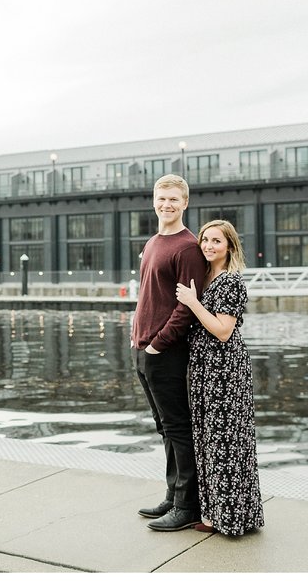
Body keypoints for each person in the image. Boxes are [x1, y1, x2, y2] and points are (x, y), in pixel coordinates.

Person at [175, 219, 265, 536]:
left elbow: (223, 331)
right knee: (207, 439)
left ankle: (232, 517)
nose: (210, 246)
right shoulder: (205, 277)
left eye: (217, 241)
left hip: (224, 368)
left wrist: (192, 302)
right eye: (205, 240)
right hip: (203, 367)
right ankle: (215, 514)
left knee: (226, 441)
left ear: (229, 247)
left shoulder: (230, 282)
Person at [131, 174, 206, 532]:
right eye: (162, 198)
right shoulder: (153, 242)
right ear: (154, 201)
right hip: (142, 347)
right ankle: (172, 495)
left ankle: (187, 506)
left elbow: (188, 306)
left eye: (174, 199)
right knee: (164, 428)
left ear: (185, 203)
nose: (167, 205)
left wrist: (159, 343)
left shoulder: (188, 247)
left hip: (166, 351)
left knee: (178, 427)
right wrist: (139, 340)